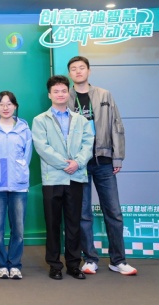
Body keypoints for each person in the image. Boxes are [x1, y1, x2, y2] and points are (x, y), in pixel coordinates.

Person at [67, 56, 137, 276]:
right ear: (70, 74)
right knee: (83, 213)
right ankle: (90, 259)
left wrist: (118, 157)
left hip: (104, 160)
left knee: (113, 212)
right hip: (79, 163)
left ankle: (118, 260)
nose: (78, 71)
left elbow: (117, 125)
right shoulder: (66, 97)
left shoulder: (104, 94)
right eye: (74, 69)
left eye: (82, 68)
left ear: (89, 71)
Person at [32, 75, 93, 281]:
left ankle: (74, 265)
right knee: (53, 224)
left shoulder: (81, 120)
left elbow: (88, 144)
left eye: (63, 91)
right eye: (56, 91)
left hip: (75, 177)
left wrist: (77, 162)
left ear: (69, 93)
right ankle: (55, 265)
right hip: (53, 179)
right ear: (49, 95)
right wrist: (64, 163)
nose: (60, 94)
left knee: (74, 223)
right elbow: (42, 147)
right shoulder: (40, 120)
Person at [0, 91, 32, 280]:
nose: (5, 107)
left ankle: (15, 264)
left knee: (18, 228)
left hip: (18, 184)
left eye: (9, 104)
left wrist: (20, 171)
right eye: (1, 104)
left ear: (15, 106)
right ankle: (1, 265)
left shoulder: (24, 129)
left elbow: (27, 156)